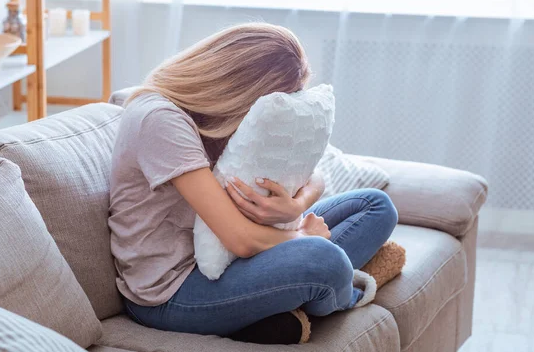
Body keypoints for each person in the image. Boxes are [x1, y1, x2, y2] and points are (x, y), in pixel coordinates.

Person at [108, 23, 398, 340]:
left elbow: (317, 170)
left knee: (375, 206)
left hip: (231, 258)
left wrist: (295, 206)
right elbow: (241, 239)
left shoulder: (220, 115)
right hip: (173, 291)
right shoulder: (160, 119)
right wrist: (302, 237)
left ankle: (286, 301)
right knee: (326, 261)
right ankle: (345, 292)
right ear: (243, 88)